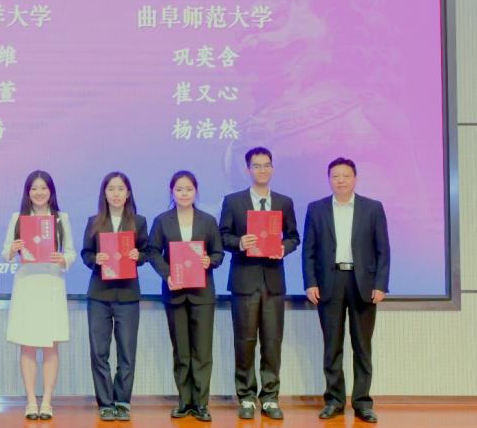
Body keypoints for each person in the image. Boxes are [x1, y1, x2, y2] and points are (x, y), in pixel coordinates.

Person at [302, 157, 390, 424]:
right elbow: (308, 251)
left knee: (362, 346)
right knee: (332, 345)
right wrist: (310, 282)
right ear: (329, 179)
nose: (340, 180)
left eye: (345, 175)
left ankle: (362, 403)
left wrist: (380, 284)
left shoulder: (372, 208)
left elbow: (383, 250)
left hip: (363, 283)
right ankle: (334, 401)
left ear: (355, 178)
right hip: (329, 282)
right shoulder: (316, 209)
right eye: (335, 176)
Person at [218, 147, 300, 420]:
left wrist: (283, 248)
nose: (262, 169)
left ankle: (270, 397)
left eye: (266, 165)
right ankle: (246, 396)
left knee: (272, 340)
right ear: (247, 170)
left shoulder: (284, 202)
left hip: (274, 281)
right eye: (256, 165)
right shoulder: (233, 201)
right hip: (244, 281)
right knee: (245, 341)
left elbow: (294, 237)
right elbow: (222, 236)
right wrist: (240, 242)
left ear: (272, 168)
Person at [148, 171, 224, 423]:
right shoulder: (162, 221)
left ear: (196, 191)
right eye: (179, 189)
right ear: (172, 192)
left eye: (189, 189)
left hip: (202, 294)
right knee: (181, 350)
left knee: (202, 351)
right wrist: (167, 273)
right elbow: (152, 251)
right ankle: (184, 401)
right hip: (175, 292)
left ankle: (201, 403)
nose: (184, 193)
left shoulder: (208, 221)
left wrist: (209, 261)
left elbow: (218, 253)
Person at [2, 171, 75, 420]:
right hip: (27, 285)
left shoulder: (61, 218)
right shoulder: (18, 218)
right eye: (34, 188)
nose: (39, 192)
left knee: (51, 346)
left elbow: (71, 252)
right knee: (28, 344)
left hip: (51, 284)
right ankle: (31, 401)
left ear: (51, 191)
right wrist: (12, 249)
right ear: (27, 192)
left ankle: (47, 402)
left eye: (43, 188)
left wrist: (63, 259)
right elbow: (5, 254)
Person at [80, 172, 148, 422]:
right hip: (99, 294)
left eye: (121, 189)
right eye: (111, 189)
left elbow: (147, 251)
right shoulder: (94, 221)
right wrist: (95, 259)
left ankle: (122, 401)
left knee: (127, 352)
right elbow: (86, 254)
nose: (116, 193)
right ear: (105, 193)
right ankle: (105, 403)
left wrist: (138, 256)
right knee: (99, 352)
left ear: (128, 193)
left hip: (128, 294)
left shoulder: (138, 221)